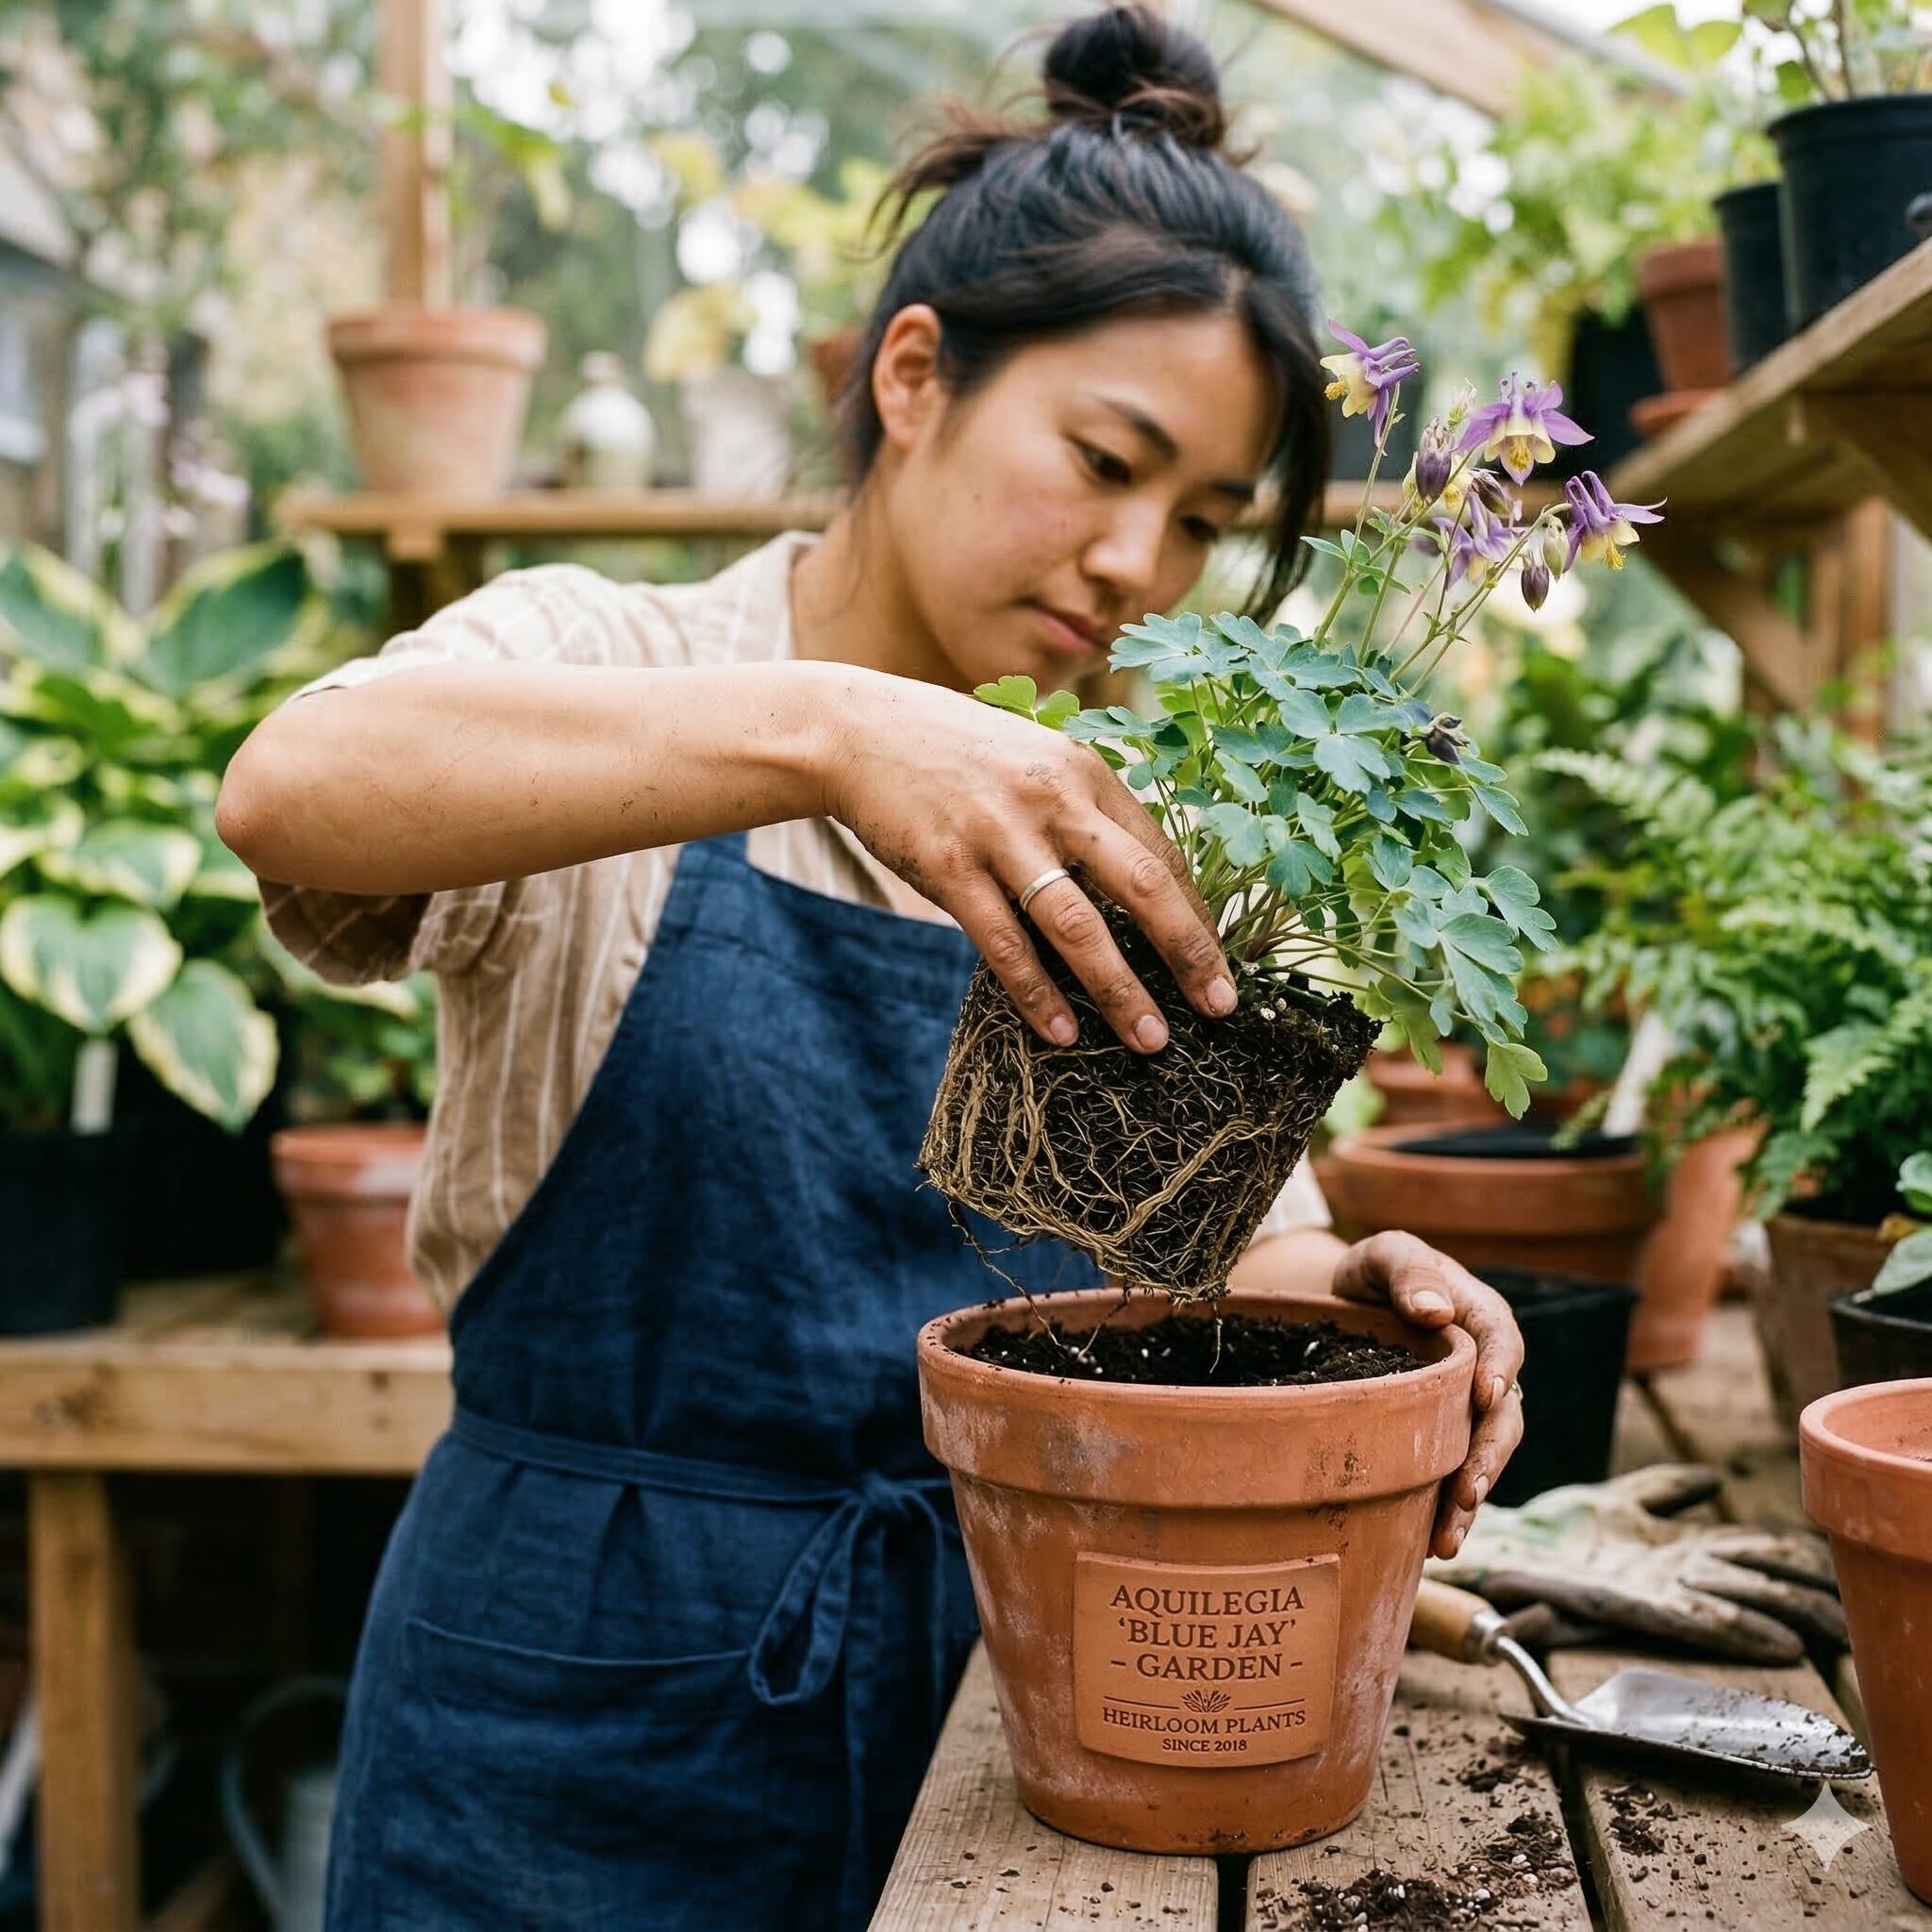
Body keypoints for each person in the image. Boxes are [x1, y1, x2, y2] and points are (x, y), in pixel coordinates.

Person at [219, 8, 1525, 1927]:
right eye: (1104, 460)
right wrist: (833, 733)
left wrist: (1347, 1292)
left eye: (1203, 519)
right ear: (914, 375)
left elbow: (1217, 1255)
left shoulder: (1132, 813)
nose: (1140, 564)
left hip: (998, 1720)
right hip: (563, 1736)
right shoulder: (627, 666)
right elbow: (292, 788)